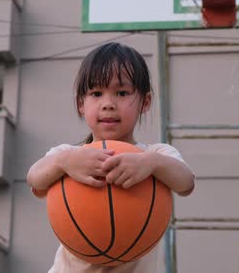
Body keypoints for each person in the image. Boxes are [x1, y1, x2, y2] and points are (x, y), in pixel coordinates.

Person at [27, 42, 195, 273]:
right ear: (81, 104)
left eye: (122, 93)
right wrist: (63, 161)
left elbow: (186, 183)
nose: (108, 104)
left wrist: (151, 163)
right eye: (96, 93)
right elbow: (34, 178)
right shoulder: (69, 156)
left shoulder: (156, 155)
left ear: (144, 102)